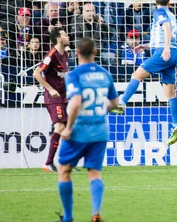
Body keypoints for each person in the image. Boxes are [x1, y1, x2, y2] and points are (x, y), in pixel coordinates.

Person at [56, 37, 119, 222]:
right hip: (100, 130)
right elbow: (115, 103)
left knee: (64, 170)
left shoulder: (74, 75)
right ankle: (96, 212)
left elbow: (75, 103)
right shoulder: (105, 74)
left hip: (79, 131)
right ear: (95, 52)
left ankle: (68, 218)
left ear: (76, 52)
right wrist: (100, 111)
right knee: (94, 173)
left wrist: (68, 128)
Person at [113, 0, 177, 145]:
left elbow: (167, 29)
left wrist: (166, 49)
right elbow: (163, 35)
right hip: (173, 53)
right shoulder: (172, 14)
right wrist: (145, 45)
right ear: (169, 2)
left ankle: (122, 102)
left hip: (164, 52)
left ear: (155, 2)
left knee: (137, 75)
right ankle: (176, 125)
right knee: (170, 94)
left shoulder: (159, 12)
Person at [32, 28, 70, 172]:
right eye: (65, 34)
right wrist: (51, 89)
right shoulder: (51, 55)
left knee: (66, 130)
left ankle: (65, 163)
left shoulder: (65, 54)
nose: (68, 36)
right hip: (53, 98)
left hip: (63, 97)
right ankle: (48, 163)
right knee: (60, 127)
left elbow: (63, 75)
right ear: (59, 39)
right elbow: (36, 73)